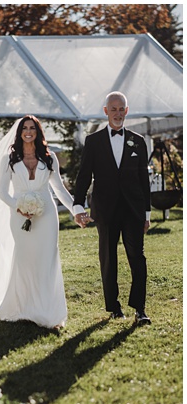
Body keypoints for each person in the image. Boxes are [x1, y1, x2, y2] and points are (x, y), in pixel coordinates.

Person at [0, 115, 80, 329]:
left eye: (32, 127)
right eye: (25, 128)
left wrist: (76, 210)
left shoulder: (49, 158)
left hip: (47, 216)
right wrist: (20, 207)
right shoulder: (9, 159)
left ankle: (48, 312)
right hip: (19, 215)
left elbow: (59, 189)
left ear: (38, 131)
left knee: (47, 261)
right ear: (20, 132)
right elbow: (3, 193)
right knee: (25, 259)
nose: (28, 131)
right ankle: (23, 307)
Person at [72, 91, 151, 325]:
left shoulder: (138, 141)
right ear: (106, 111)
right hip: (105, 210)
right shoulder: (93, 141)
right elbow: (84, 175)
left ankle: (140, 308)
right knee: (108, 257)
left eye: (121, 109)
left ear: (126, 111)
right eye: (113, 109)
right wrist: (78, 206)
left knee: (137, 257)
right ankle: (114, 307)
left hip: (133, 210)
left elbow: (143, 181)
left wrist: (146, 213)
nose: (117, 113)